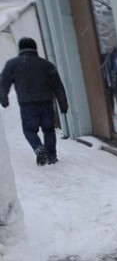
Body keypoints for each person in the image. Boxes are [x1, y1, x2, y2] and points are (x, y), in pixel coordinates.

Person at [0, 37, 69, 166]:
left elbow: (3, 83)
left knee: (29, 130)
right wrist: (63, 105)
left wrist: (3, 100)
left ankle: (38, 147)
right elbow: (58, 86)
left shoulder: (12, 64)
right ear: (35, 48)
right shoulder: (46, 65)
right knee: (48, 130)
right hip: (47, 103)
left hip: (27, 105)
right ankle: (51, 156)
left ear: (20, 49)